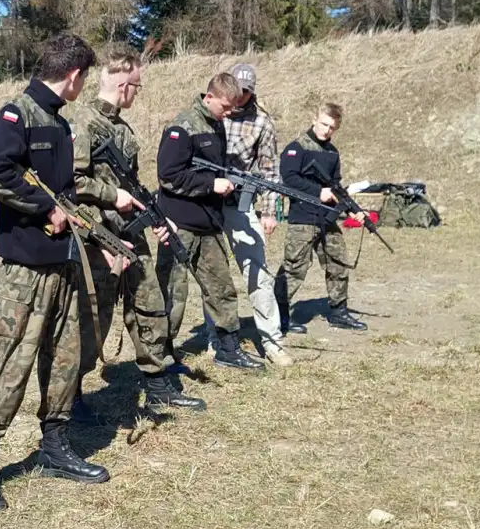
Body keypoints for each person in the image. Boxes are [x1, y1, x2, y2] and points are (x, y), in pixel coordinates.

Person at [0, 33, 123, 512]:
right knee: (12, 365)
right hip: (25, 272)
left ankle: (54, 447)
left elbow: (67, 192)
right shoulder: (18, 113)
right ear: (73, 77)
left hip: (66, 267)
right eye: (85, 79)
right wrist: (43, 211)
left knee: (65, 360)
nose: (84, 86)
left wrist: (103, 236)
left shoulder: (60, 124)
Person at [65, 49, 206, 419]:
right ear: (124, 83)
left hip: (131, 230)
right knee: (96, 314)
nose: (137, 93)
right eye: (137, 86)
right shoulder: (82, 120)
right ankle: (70, 395)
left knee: (150, 304)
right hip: (98, 234)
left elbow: (132, 183)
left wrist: (156, 213)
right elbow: (73, 182)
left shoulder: (122, 129)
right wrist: (114, 198)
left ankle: (158, 386)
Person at [155, 74, 263, 371]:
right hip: (179, 225)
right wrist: (210, 185)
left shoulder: (216, 125)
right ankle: (161, 357)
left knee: (222, 289)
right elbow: (168, 175)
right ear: (210, 97)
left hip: (210, 223)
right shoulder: (182, 127)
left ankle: (228, 349)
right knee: (172, 295)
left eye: (233, 109)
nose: (229, 114)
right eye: (226, 107)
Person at [199, 64, 294, 367]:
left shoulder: (262, 123)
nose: (238, 99)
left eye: (245, 92)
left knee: (258, 273)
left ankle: (271, 340)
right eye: (235, 92)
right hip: (208, 202)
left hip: (242, 204)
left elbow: (269, 171)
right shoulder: (212, 114)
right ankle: (217, 341)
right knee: (212, 275)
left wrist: (270, 211)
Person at [275, 102, 369, 332]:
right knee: (294, 267)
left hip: (327, 219)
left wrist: (354, 210)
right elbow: (288, 179)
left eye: (332, 127)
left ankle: (339, 311)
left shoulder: (332, 153)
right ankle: (278, 316)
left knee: (338, 263)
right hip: (303, 218)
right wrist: (318, 192)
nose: (327, 130)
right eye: (324, 124)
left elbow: (336, 186)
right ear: (314, 119)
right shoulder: (296, 148)